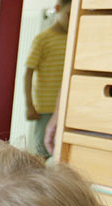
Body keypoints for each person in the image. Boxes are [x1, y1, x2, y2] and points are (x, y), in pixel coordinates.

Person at [24, 1, 71, 157]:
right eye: (68, 14)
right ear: (58, 9)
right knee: (41, 153)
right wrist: (29, 105)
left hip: (67, 106)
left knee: (60, 151)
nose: (71, 19)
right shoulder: (43, 39)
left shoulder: (74, 39)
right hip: (44, 108)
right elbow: (28, 73)